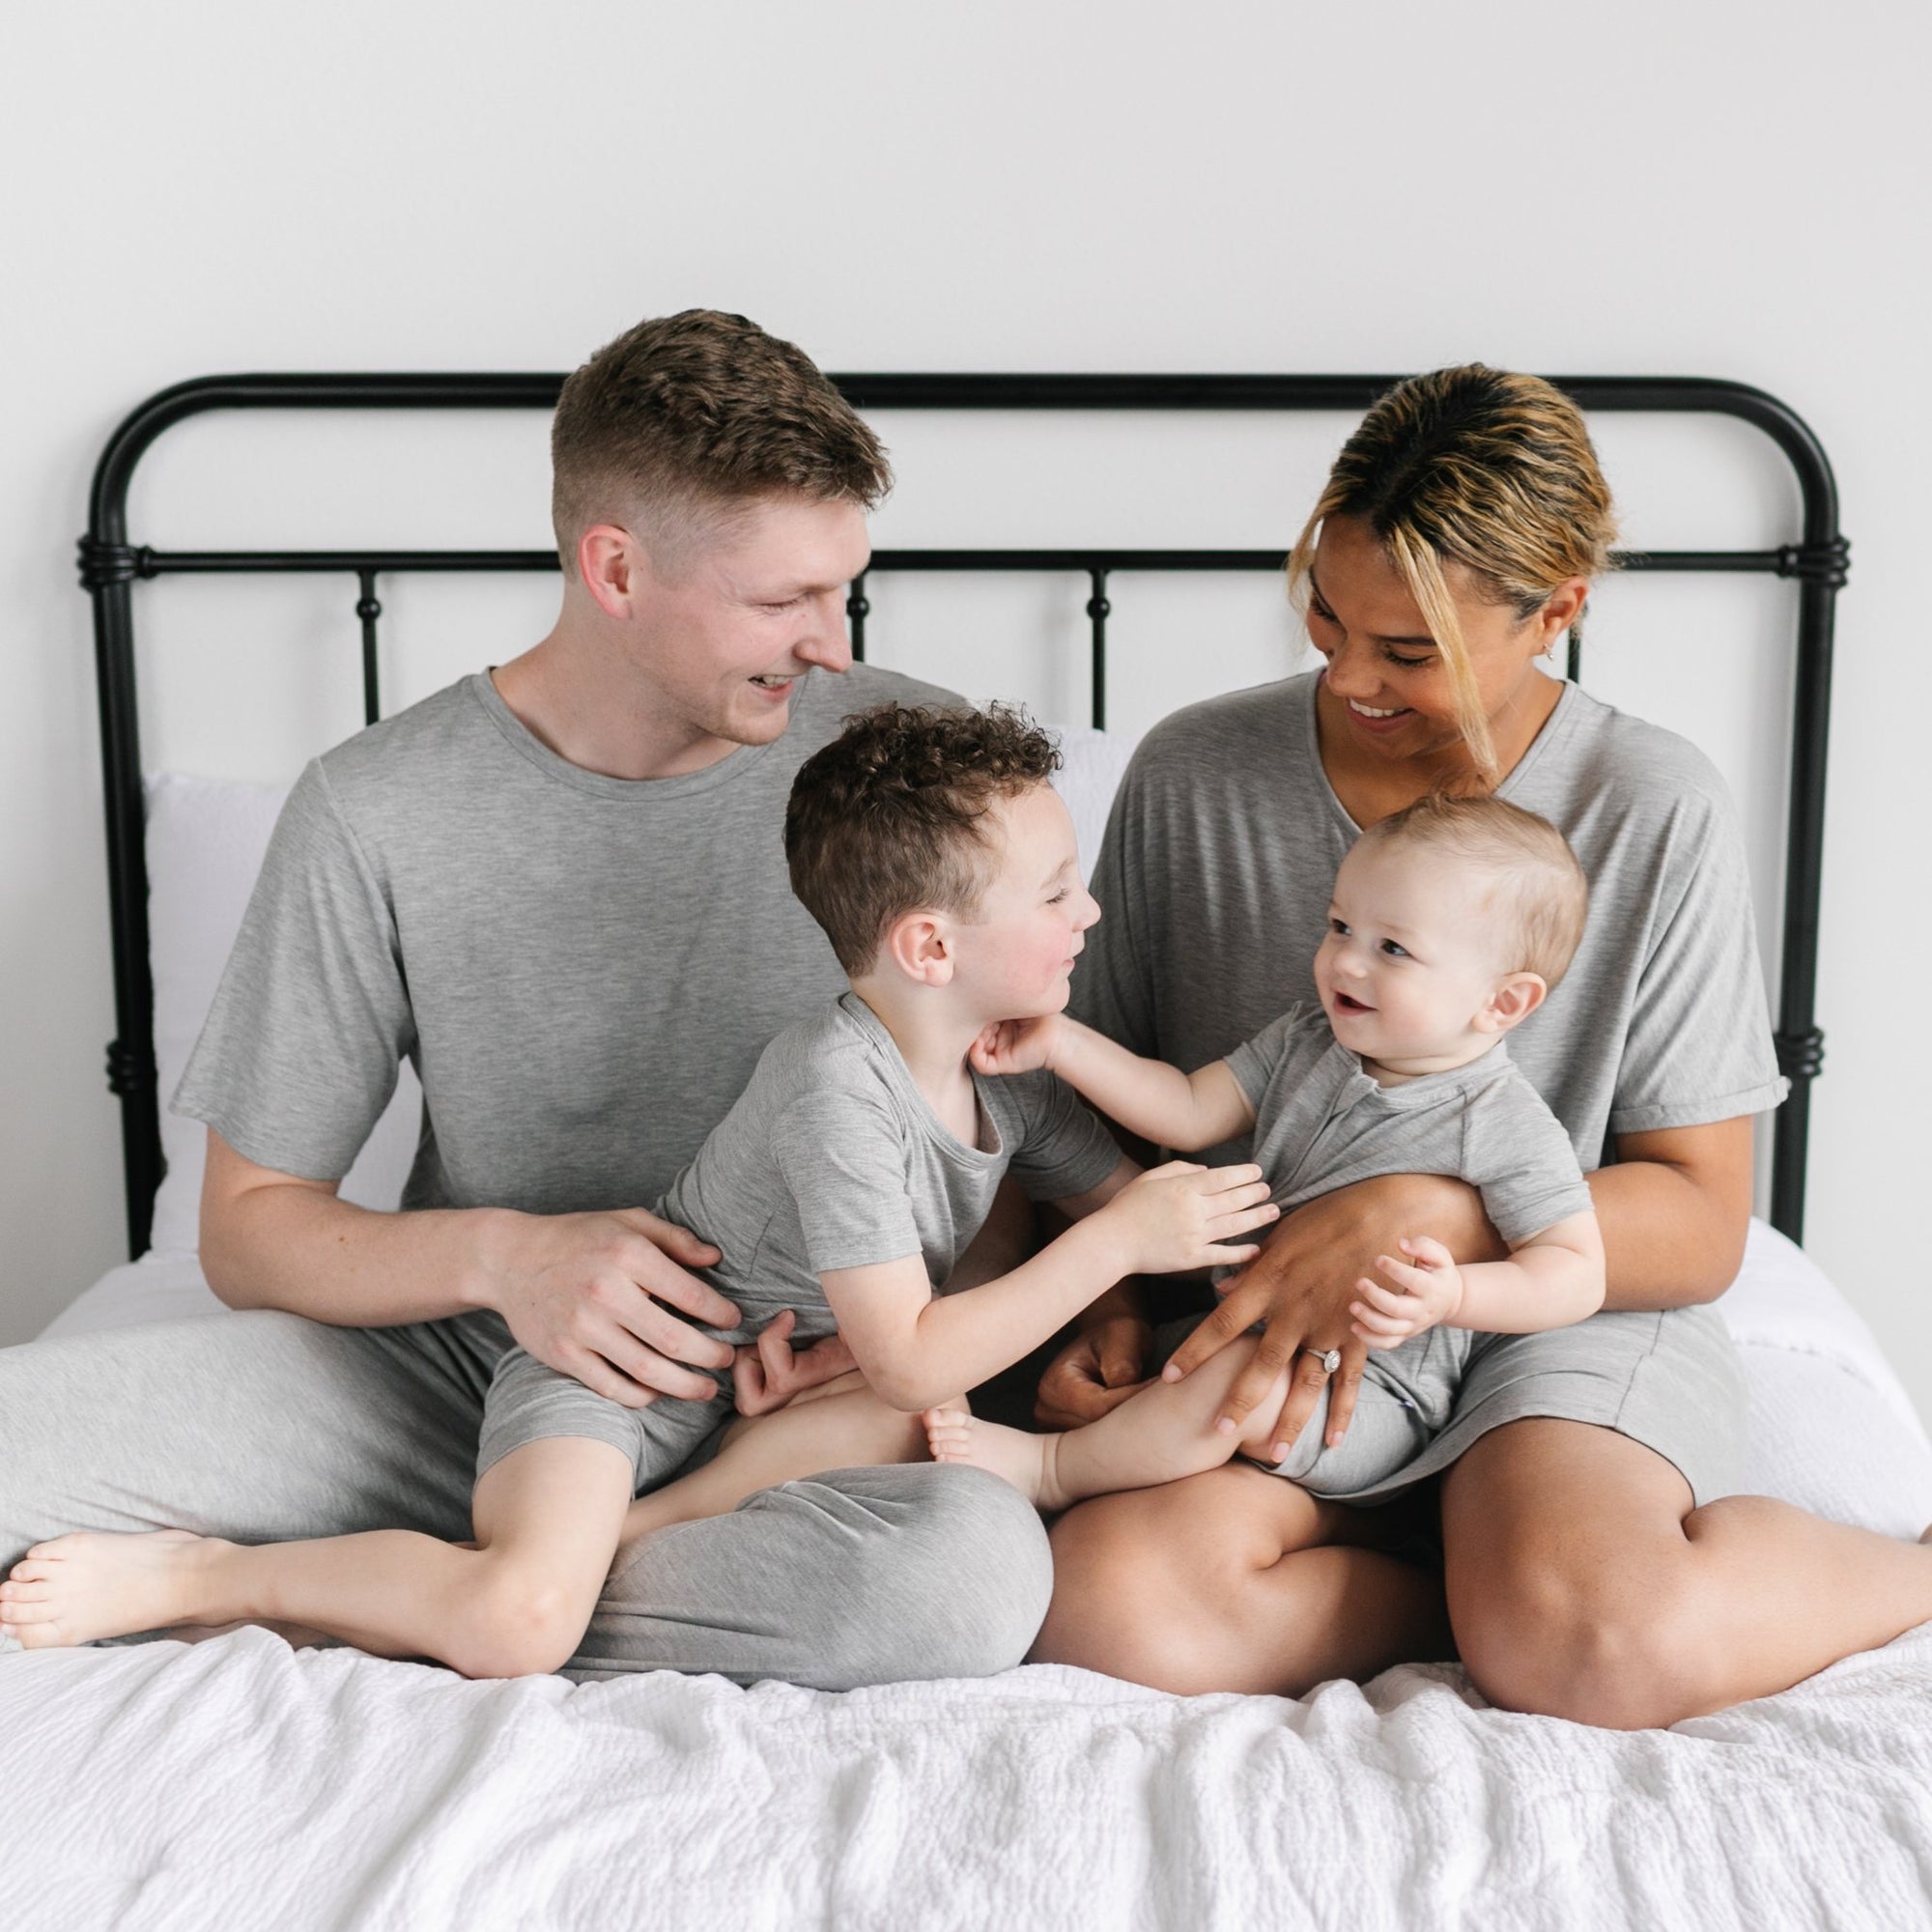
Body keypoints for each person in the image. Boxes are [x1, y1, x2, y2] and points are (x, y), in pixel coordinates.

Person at [0, 310, 1056, 1687]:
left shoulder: (909, 771)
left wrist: (889, 1351)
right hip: (455, 1386)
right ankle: (496, 1574)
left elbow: (1000, 1132)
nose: (832, 644)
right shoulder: (377, 809)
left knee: (963, 1581)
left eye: (844, 587)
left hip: (791, 1405)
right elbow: (249, 1236)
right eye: (782, 600)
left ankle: (460, 1592)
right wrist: (514, 1260)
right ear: (614, 568)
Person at [0, 705, 1278, 1671]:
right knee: (518, 1624)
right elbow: (983, 1309)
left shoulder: (1011, 1063)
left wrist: (1145, 1248)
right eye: (1058, 894)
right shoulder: (836, 1086)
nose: (1090, 912)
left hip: (769, 1407)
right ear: (929, 944)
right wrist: (1115, 1246)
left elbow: (1132, 1208)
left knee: (929, 1460)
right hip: (622, 1374)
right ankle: (225, 1577)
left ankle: (566, 1547)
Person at [1031, 364, 1932, 1725]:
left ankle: (1896, 1577)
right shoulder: (1196, 775)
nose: (1349, 675)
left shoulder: (1649, 805)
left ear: (1559, 612)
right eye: (1326, 619)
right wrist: (1091, 1304)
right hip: (1299, 1353)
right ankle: (1477, 1582)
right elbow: (1093, 1121)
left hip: (1551, 1316)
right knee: (1114, 1608)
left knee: (1601, 1646)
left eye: (1411, 654)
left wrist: (1421, 1217)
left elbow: (1699, 1216)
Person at [928, 790, 1605, 1513]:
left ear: (1502, 1004)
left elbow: (1575, 1272)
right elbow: (1188, 1109)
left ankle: (1050, 1469)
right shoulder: (1307, 1039)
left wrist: (1457, 1296)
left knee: (1223, 1384)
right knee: (1169, 1368)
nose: (1346, 962)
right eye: (1340, 926)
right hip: (1234, 1331)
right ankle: (1101, 1447)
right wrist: (1062, 1042)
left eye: (1393, 949)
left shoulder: (1502, 1120)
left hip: (1369, 1398)